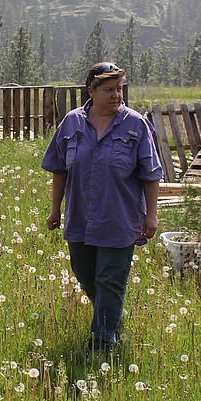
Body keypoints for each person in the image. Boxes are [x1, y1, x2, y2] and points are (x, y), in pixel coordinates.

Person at [42, 61, 163, 352]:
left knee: (110, 280)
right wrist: (55, 209)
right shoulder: (71, 122)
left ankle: (102, 343)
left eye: (119, 89)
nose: (116, 96)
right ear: (91, 91)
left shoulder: (135, 125)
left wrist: (152, 214)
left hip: (119, 218)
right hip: (80, 217)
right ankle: (113, 315)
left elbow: (151, 172)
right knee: (85, 275)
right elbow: (59, 168)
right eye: (109, 90)